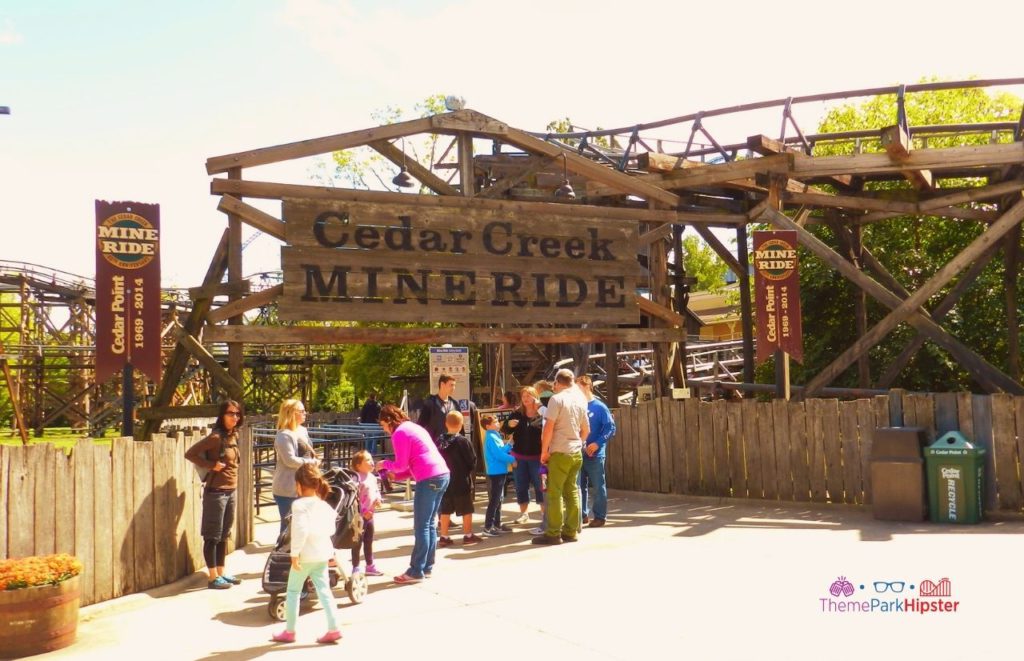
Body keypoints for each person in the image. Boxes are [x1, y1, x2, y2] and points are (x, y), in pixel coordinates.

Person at [376, 404, 450, 584]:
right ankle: (427, 566)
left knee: (422, 526)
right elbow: (412, 464)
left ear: (388, 420)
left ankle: (416, 570)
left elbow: (401, 464)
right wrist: (397, 475)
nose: (384, 429)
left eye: (383, 425)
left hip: (429, 478)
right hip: (442, 474)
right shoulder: (414, 428)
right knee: (430, 525)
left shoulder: (399, 432)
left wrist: (385, 464)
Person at [271, 463, 342, 645]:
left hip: (304, 556)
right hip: (322, 554)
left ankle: (290, 631)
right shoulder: (324, 505)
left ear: (299, 485)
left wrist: (294, 554)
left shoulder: (299, 505)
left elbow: (300, 530)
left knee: (293, 591)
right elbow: (331, 529)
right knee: (324, 591)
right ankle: (334, 628)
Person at [185, 400, 244, 590]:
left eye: (237, 414)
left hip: (231, 491)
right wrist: (212, 466)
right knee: (212, 536)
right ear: (222, 415)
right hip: (216, 493)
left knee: (224, 535)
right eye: (230, 413)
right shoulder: (216, 438)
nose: (234, 417)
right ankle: (212, 578)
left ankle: (221, 572)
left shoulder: (233, 435)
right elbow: (190, 453)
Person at [533, 369, 588, 546]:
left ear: (557, 383)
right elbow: (586, 430)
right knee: (572, 491)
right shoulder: (581, 399)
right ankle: (571, 531)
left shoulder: (556, 400)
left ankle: (553, 533)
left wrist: (544, 451)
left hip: (559, 451)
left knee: (554, 493)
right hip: (576, 452)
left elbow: (549, 428)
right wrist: (578, 443)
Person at [272, 399, 318, 534]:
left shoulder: (302, 430)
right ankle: (282, 555)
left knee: (303, 527)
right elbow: (290, 460)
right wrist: (311, 463)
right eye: (301, 411)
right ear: (291, 413)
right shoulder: (284, 435)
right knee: (288, 529)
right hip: (288, 488)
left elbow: (308, 452)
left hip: (304, 486)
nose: (305, 413)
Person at [575, 375, 616, 528]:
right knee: (579, 486)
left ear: (587, 386)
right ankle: (582, 514)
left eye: (578, 387)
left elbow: (610, 427)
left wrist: (597, 443)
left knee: (598, 486)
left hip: (595, 454)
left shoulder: (599, 406)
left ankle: (600, 516)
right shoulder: (577, 406)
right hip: (579, 451)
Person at [501, 386, 545, 525]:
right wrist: (509, 424)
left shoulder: (542, 414)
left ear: (535, 397)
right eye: (523, 396)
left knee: (541, 486)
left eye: (528, 396)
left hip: (538, 457)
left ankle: (544, 514)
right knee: (521, 486)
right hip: (519, 457)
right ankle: (524, 513)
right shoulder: (517, 413)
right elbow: (504, 429)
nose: (525, 399)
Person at [436, 410, 480, 546]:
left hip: (444, 480)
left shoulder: (439, 441)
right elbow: (472, 460)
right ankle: (467, 535)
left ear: (445, 423)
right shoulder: (463, 441)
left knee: (445, 510)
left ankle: (444, 536)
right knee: (466, 509)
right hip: (461, 480)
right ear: (461, 424)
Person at [350, 450, 383, 576]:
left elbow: (376, 491)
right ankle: (356, 566)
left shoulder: (372, 477)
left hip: (370, 516)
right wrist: (364, 512)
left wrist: (378, 499)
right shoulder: (356, 479)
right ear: (358, 465)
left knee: (369, 541)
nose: (371, 462)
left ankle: (370, 565)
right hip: (359, 517)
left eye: (371, 459)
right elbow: (354, 498)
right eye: (367, 460)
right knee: (357, 543)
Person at [482, 414, 515, 536]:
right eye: (495, 422)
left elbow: (501, 451)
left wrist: (509, 444)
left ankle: (496, 524)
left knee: (499, 499)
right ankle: (487, 527)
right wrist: (513, 459)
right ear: (488, 426)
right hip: (496, 472)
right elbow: (499, 455)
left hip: (500, 471)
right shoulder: (491, 437)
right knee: (495, 500)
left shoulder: (495, 436)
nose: (497, 423)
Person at [417, 374, 459, 442]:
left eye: (454, 385)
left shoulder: (455, 404)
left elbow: (460, 427)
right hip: (434, 446)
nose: (453, 388)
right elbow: (420, 426)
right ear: (442, 384)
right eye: (451, 385)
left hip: (453, 447)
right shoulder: (430, 403)